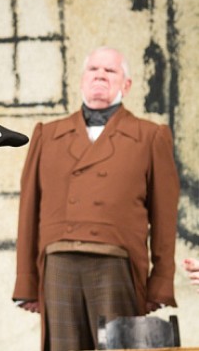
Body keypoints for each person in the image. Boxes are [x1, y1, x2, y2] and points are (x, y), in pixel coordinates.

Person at [12, 46, 180, 351]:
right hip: (58, 259)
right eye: (93, 69)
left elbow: (165, 218)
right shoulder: (47, 134)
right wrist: (26, 281)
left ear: (126, 85)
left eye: (110, 70)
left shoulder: (150, 136)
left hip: (117, 261)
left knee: (119, 348)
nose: (100, 75)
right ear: (82, 80)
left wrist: (161, 282)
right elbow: (28, 212)